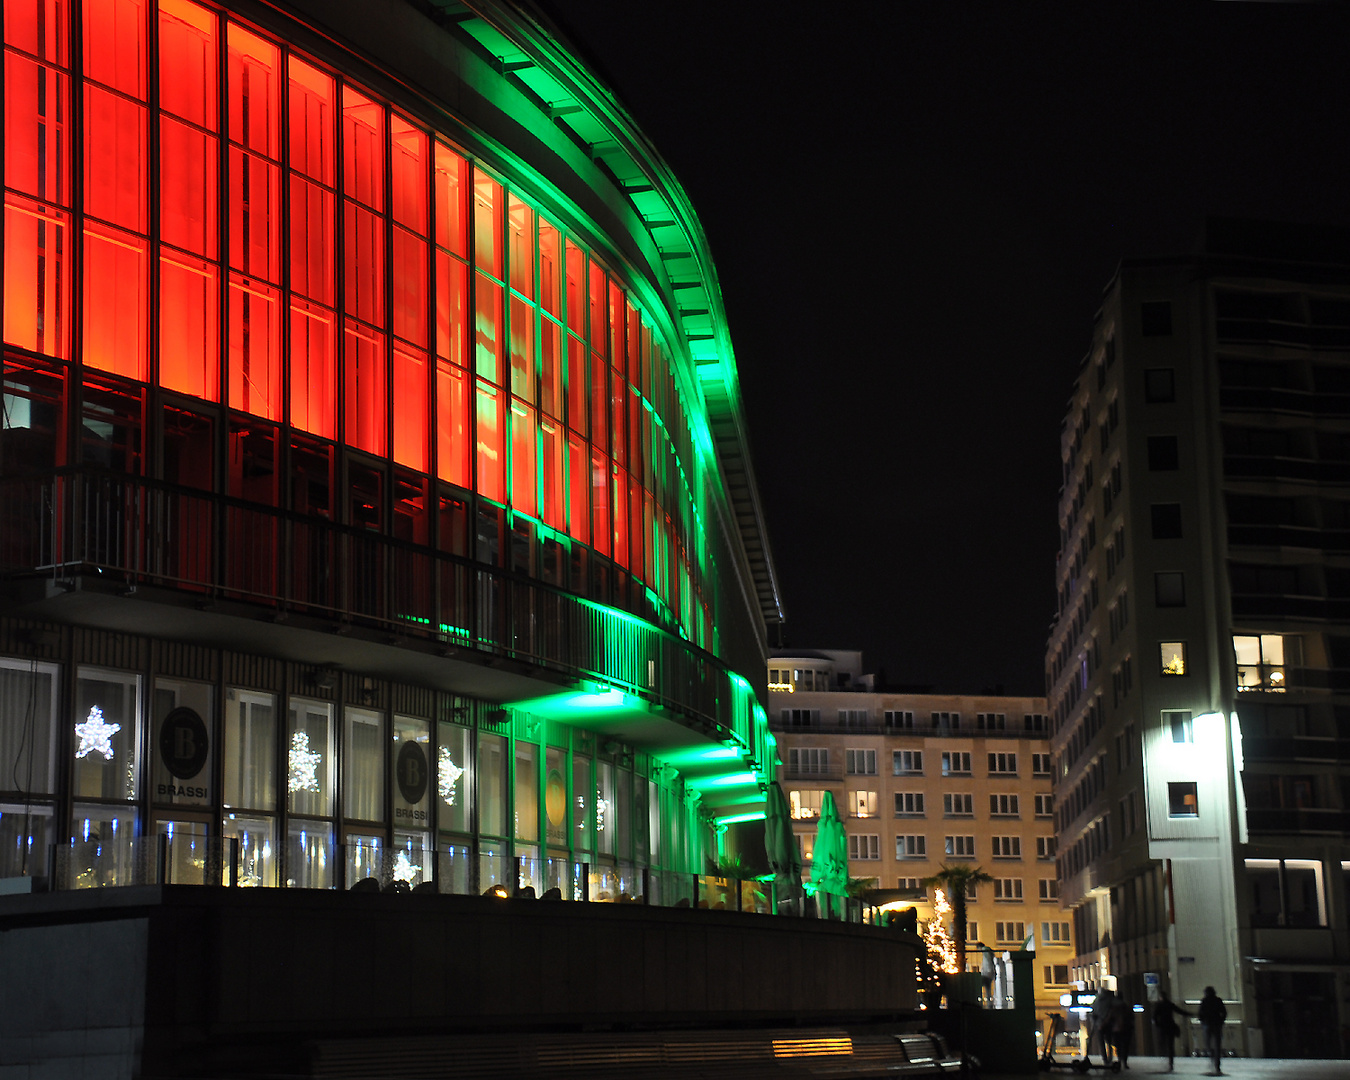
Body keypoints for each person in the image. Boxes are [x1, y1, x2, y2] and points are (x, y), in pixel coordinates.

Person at [1152, 992, 1191, 1072]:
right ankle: (1170, 1062)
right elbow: (1180, 1011)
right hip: (1170, 1026)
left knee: (1162, 1043)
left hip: (1163, 1026)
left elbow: (1155, 1016)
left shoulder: (1159, 1005)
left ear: (1160, 997)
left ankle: (1165, 1058)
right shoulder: (1170, 1004)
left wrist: (1157, 1024)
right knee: (1170, 1045)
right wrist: (1190, 1014)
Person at [1198, 986, 1227, 1076]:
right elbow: (1224, 1012)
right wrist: (1221, 1021)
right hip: (1217, 1024)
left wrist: (1202, 1021)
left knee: (1208, 1043)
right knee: (1217, 1044)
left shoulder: (1204, 1001)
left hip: (1207, 1024)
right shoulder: (1218, 1000)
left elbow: (1200, 1013)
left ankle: (1211, 1059)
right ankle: (1217, 1064)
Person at [1090, 985, 1117, 1065]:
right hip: (1107, 1024)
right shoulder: (1109, 1000)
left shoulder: (1096, 1001)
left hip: (1100, 1024)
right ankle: (1109, 1058)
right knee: (1108, 1041)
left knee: (1102, 1042)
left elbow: (1093, 1012)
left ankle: (1106, 1059)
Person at [1108, 998, 1135, 1070]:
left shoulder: (1114, 1009)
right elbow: (1132, 1019)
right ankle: (1124, 1062)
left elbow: (1110, 1019)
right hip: (1126, 1030)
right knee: (1125, 1047)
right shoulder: (1127, 1009)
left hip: (1117, 1030)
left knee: (1119, 1046)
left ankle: (1120, 1060)